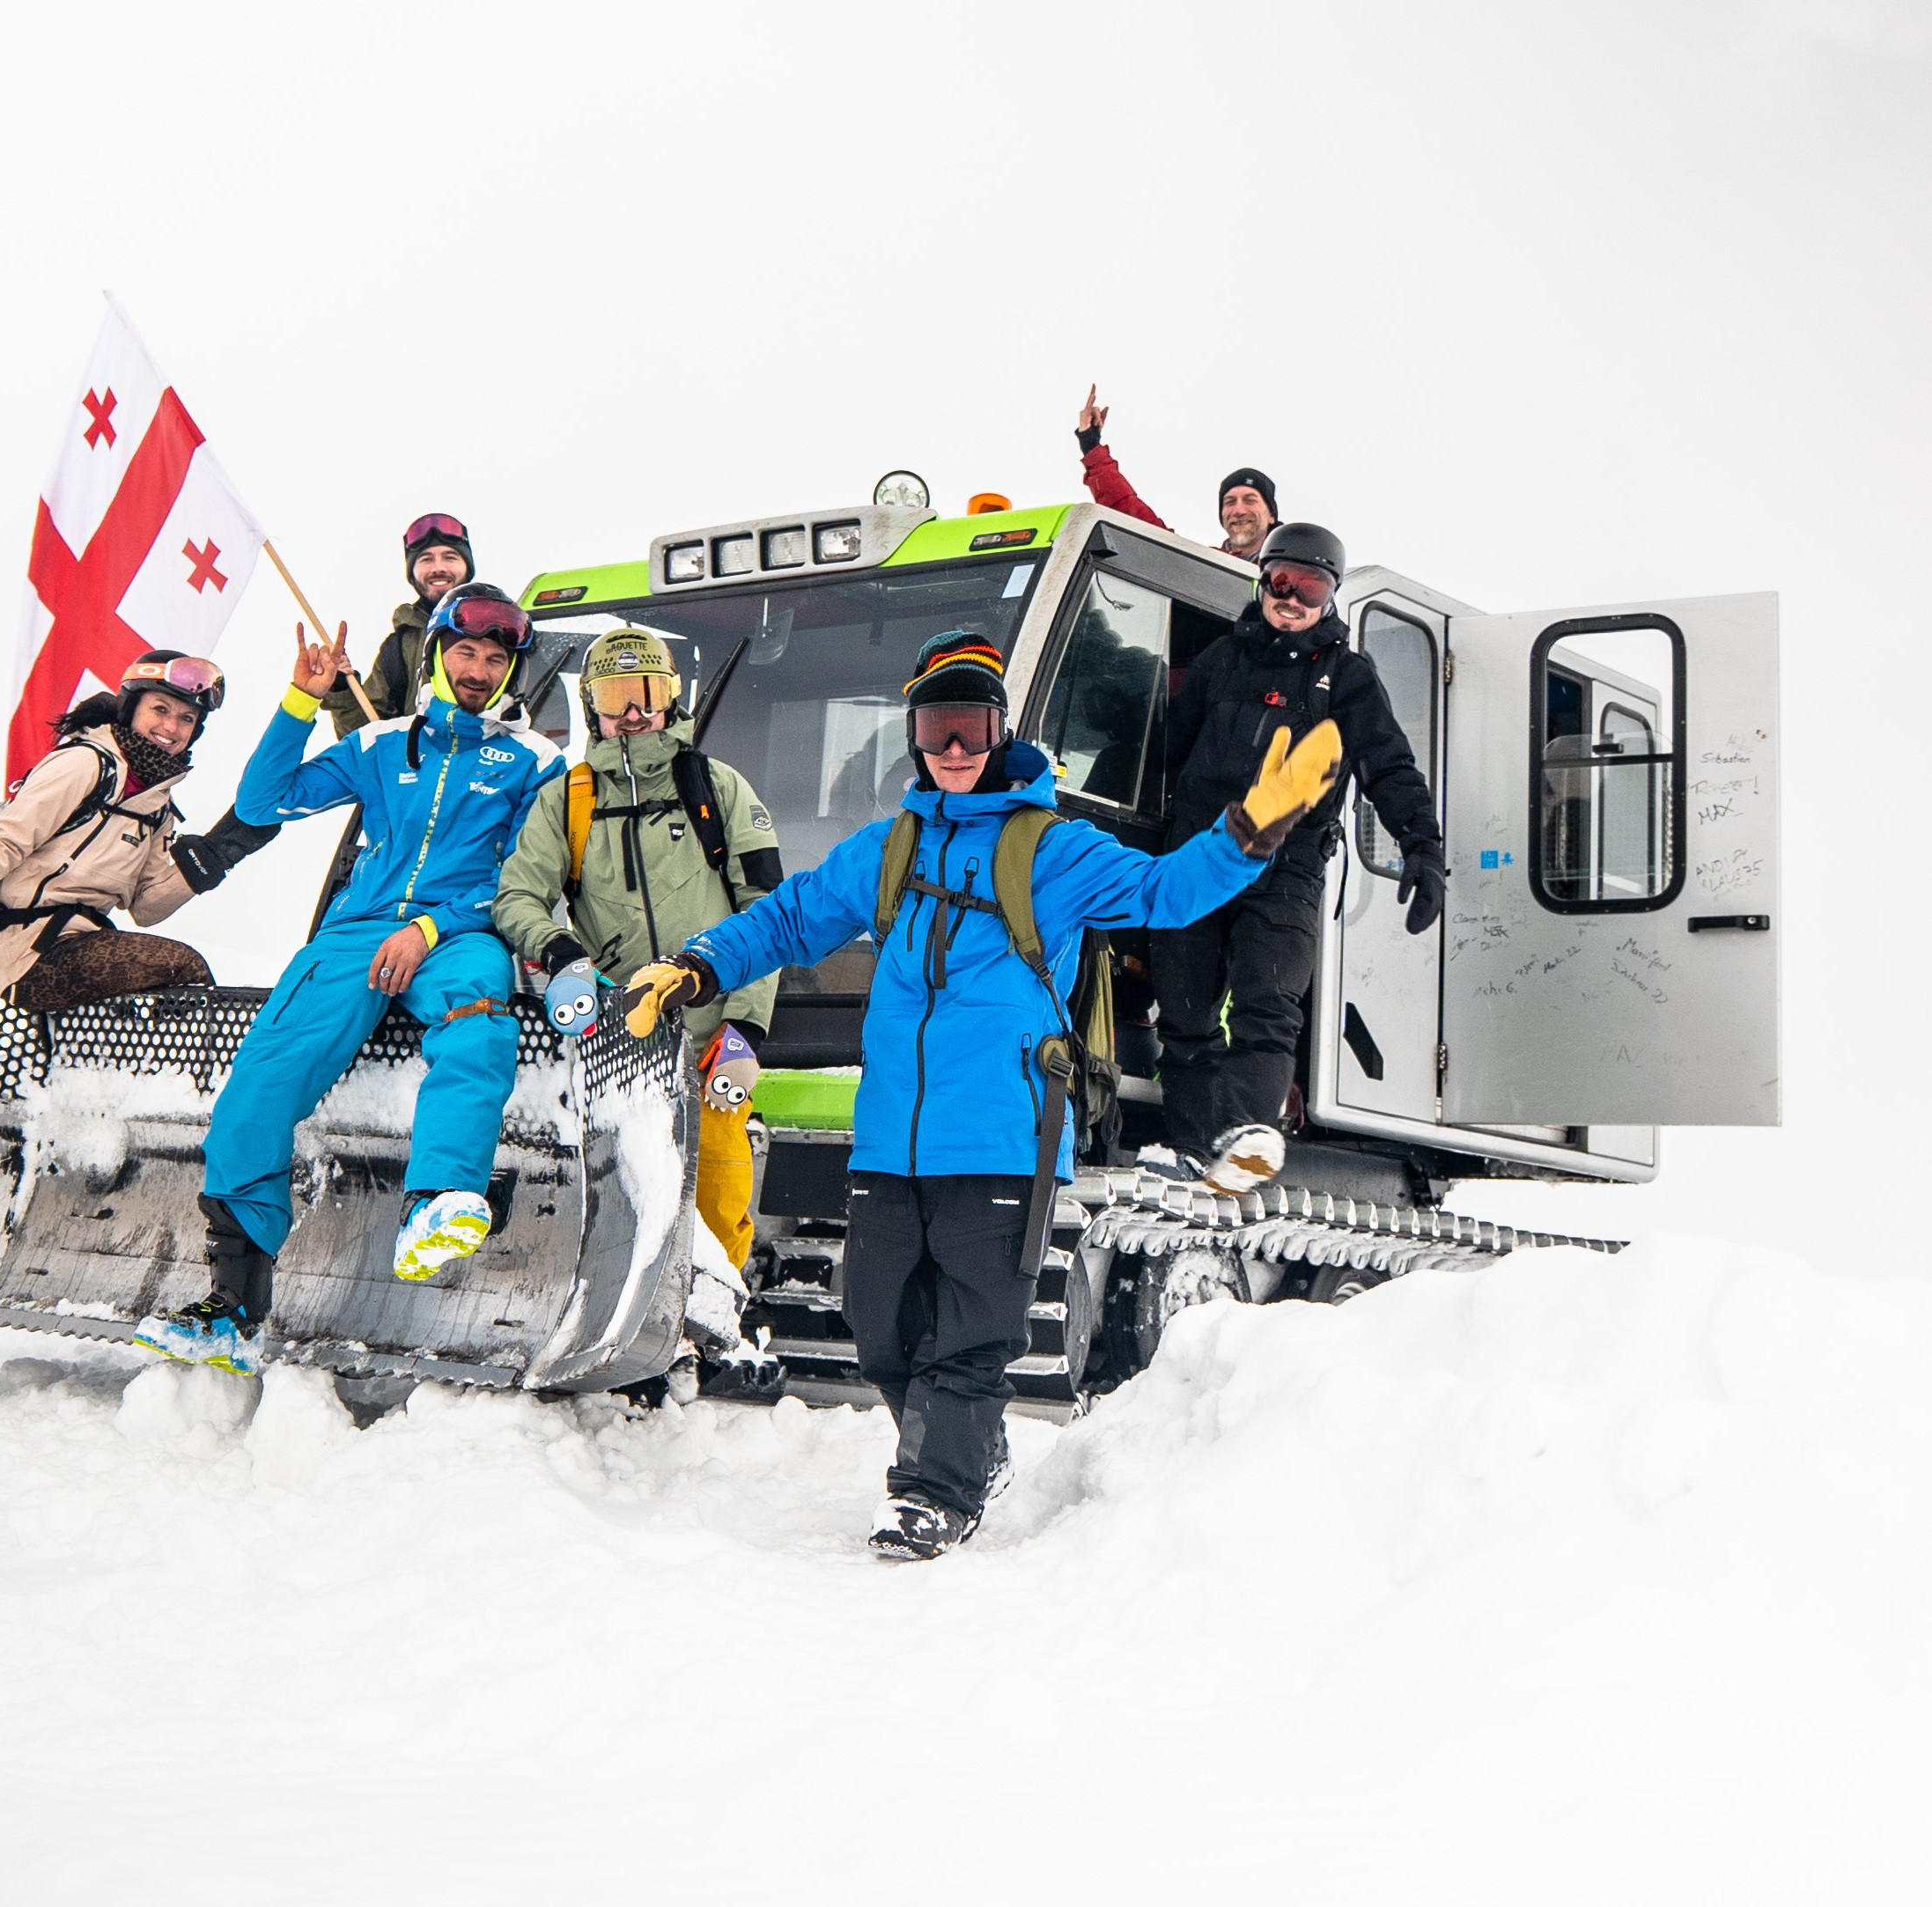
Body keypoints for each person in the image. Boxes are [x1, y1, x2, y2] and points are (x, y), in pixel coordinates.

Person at [613, 631, 1342, 1559]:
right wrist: (698, 965)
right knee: (878, 1323)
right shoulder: (887, 851)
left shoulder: (1055, 850)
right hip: (889, 1139)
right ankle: (971, 1450)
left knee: (972, 1331)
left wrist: (1248, 833)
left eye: (972, 726)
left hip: (1002, 1134)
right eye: (937, 726)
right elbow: (791, 917)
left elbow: (1166, 891)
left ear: (1001, 731)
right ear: (914, 734)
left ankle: (935, 1491)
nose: (954, 746)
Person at [138, 583, 566, 1372]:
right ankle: (233, 1307)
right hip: (356, 932)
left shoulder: (534, 761)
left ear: (511, 674)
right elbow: (267, 800)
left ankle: (437, 1200)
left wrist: (431, 927)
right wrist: (302, 699)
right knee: (265, 1075)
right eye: (466, 652)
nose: (478, 670)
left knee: (480, 1021)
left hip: (463, 929)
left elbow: (528, 875)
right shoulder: (383, 745)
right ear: (437, 655)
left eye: (495, 659)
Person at [490, 628, 786, 1396]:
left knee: (718, 1179)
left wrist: (748, 1027)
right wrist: (556, 951)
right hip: (619, 1040)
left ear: (671, 701)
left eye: (645, 698)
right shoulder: (569, 798)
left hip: (713, 1030)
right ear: (591, 706)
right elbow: (519, 895)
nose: (632, 716)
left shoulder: (716, 789)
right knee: (623, 1184)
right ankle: (633, 1334)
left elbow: (771, 910)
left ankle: (709, 1324)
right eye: (616, 700)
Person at [1147, 522, 1444, 1188]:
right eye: (1283, 581)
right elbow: (1168, 749)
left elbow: (1389, 767)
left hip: (1287, 870)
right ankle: (1197, 1150)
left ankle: (1246, 1141)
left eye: (1312, 587)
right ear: (1264, 581)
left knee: (1267, 1007)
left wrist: (1422, 848)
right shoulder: (1222, 661)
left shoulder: (1347, 677)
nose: (1294, 598)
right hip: (1198, 858)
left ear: (1330, 596)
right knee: (1186, 1012)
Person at [0, 652, 269, 1012]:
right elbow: (11, 834)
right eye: (160, 709)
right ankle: (159, 1082)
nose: (171, 727)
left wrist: (219, 851)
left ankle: (114, 1077)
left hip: (88, 945)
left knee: (178, 973)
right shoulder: (86, 763)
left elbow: (146, 907)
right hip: (30, 952)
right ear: (131, 709)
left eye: (186, 718)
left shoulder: (156, 806)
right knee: (182, 966)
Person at [1074, 382, 1279, 561]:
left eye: (1250, 500)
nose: (1239, 510)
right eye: (1230, 502)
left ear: (1271, 515)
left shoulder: (1299, 573)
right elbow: (1133, 519)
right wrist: (1091, 446)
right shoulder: (1210, 567)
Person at [321, 512, 476, 737]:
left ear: (467, 567)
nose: (438, 568)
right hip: (418, 769)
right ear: (412, 573)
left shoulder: (500, 629)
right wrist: (341, 687)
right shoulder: (397, 647)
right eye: (426, 559)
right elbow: (363, 739)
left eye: (450, 557)